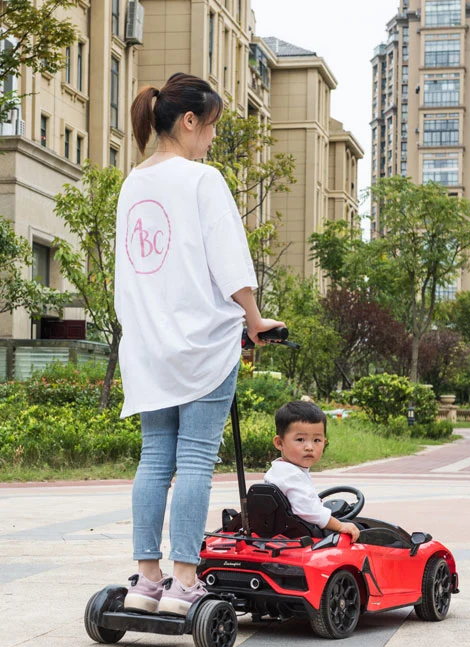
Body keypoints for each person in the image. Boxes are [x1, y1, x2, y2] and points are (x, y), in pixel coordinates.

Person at [115, 72, 284, 616]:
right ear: (188, 121)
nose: (211, 140)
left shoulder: (131, 183)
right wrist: (254, 318)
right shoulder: (201, 179)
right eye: (210, 128)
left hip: (148, 346)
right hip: (201, 345)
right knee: (193, 460)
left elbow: (131, 271)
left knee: (154, 457)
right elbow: (229, 258)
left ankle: (146, 579)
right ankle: (185, 580)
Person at [264, 401, 361, 542]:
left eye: (316, 440)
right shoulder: (292, 476)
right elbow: (310, 512)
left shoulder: (277, 470)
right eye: (300, 439)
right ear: (279, 443)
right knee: (363, 530)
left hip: (289, 529)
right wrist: (340, 525)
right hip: (303, 535)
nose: (309, 447)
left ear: (324, 442)